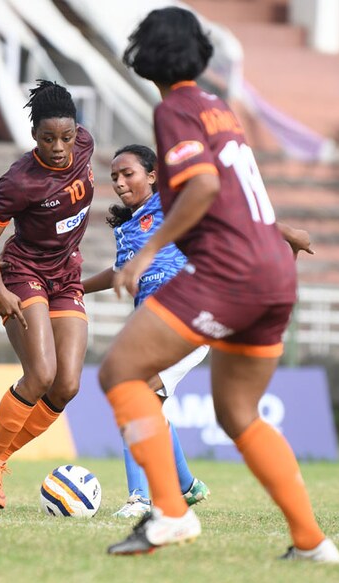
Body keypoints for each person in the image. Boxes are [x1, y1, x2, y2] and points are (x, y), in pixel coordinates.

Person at [101, 7, 339, 562]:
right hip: (271, 274)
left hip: (228, 272)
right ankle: (311, 542)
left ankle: (171, 512)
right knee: (237, 413)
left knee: (121, 372)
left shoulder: (175, 110)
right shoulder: (218, 108)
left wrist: (149, 252)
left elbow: (205, 187)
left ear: (143, 55)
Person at [0, 80, 96, 516]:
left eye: (67, 136)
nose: (60, 147)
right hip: (25, 274)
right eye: (47, 138)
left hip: (67, 276)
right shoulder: (20, 181)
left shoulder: (85, 146)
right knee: (40, 374)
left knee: (67, 385)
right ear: (33, 136)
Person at [81, 144, 211, 518]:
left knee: (132, 395)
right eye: (115, 177)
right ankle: (186, 486)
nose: (120, 183)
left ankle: (140, 498)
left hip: (184, 319)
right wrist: (75, 287)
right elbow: (120, 273)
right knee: (144, 402)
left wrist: (283, 232)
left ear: (152, 176)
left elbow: (226, 214)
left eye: (128, 174)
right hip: (152, 328)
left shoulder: (173, 206)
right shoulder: (126, 227)